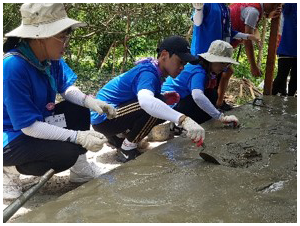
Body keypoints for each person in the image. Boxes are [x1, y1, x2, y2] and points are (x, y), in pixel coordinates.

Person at [3, 3, 116, 199]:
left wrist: (90, 102)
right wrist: (78, 137)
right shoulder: (13, 67)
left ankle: (80, 168)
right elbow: (29, 127)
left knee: (78, 109)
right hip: (12, 136)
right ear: (41, 37)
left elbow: (67, 88)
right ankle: (9, 170)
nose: (66, 43)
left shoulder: (50, 59)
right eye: (62, 37)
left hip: (40, 121)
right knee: (66, 154)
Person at [92, 36, 205, 163]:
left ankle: (119, 139)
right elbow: (145, 101)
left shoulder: (153, 71)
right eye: (180, 62)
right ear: (164, 55)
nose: (182, 68)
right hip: (103, 119)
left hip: (110, 116)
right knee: (155, 106)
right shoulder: (148, 73)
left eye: (184, 64)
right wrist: (183, 120)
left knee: (159, 104)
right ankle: (127, 148)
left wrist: (162, 97)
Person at [191, 3, 260, 111]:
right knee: (201, 86)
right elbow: (197, 22)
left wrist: (247, 36)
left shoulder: (226, 9)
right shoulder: (208, 4)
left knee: (213, 87)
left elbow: (229, 32)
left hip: (219, 57)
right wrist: (198, 9)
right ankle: (203, 112)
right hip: (204, 54)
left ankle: (213, 108)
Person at [162, 40, 239, 126]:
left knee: (212, 94)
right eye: (222, 63)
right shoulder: (199, 72)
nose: (224, 67)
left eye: (227, 65)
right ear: (212, 60)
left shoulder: (203, 68)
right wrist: (220, 117)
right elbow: (197, 96)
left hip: (176, 102)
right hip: (170, 106)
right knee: (211, 96)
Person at [272, 3, 297, 96]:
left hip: (293, 48)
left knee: (295, 78)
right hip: (287, 47)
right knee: (282, 76)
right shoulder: (291, 6)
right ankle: (271, 97)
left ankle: (291, 99)